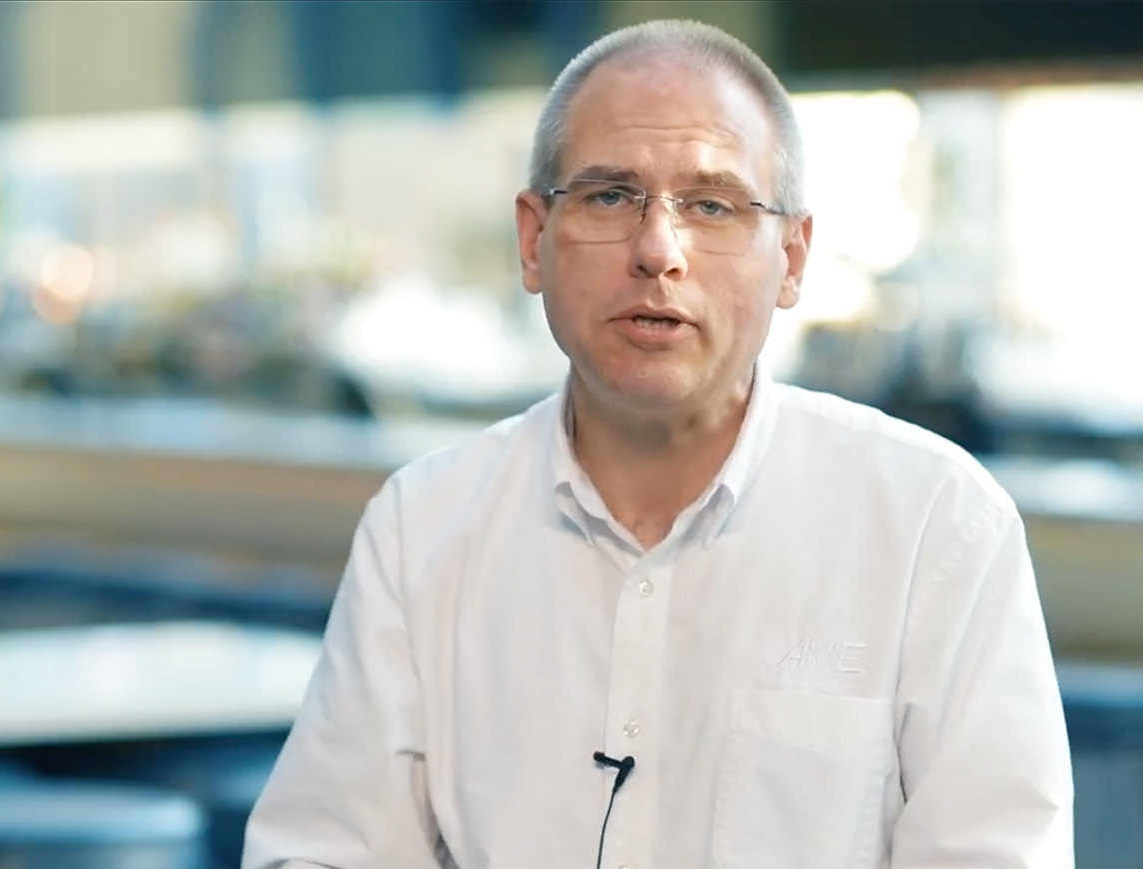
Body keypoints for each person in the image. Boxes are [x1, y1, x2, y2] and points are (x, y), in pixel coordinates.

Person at [243, 18, 1073, 869]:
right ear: (533, 239)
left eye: (711, 205)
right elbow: (322, 849)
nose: (658, 252)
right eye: (610, 196)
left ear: (792, 259)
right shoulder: (423, 527)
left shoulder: (936, 525)